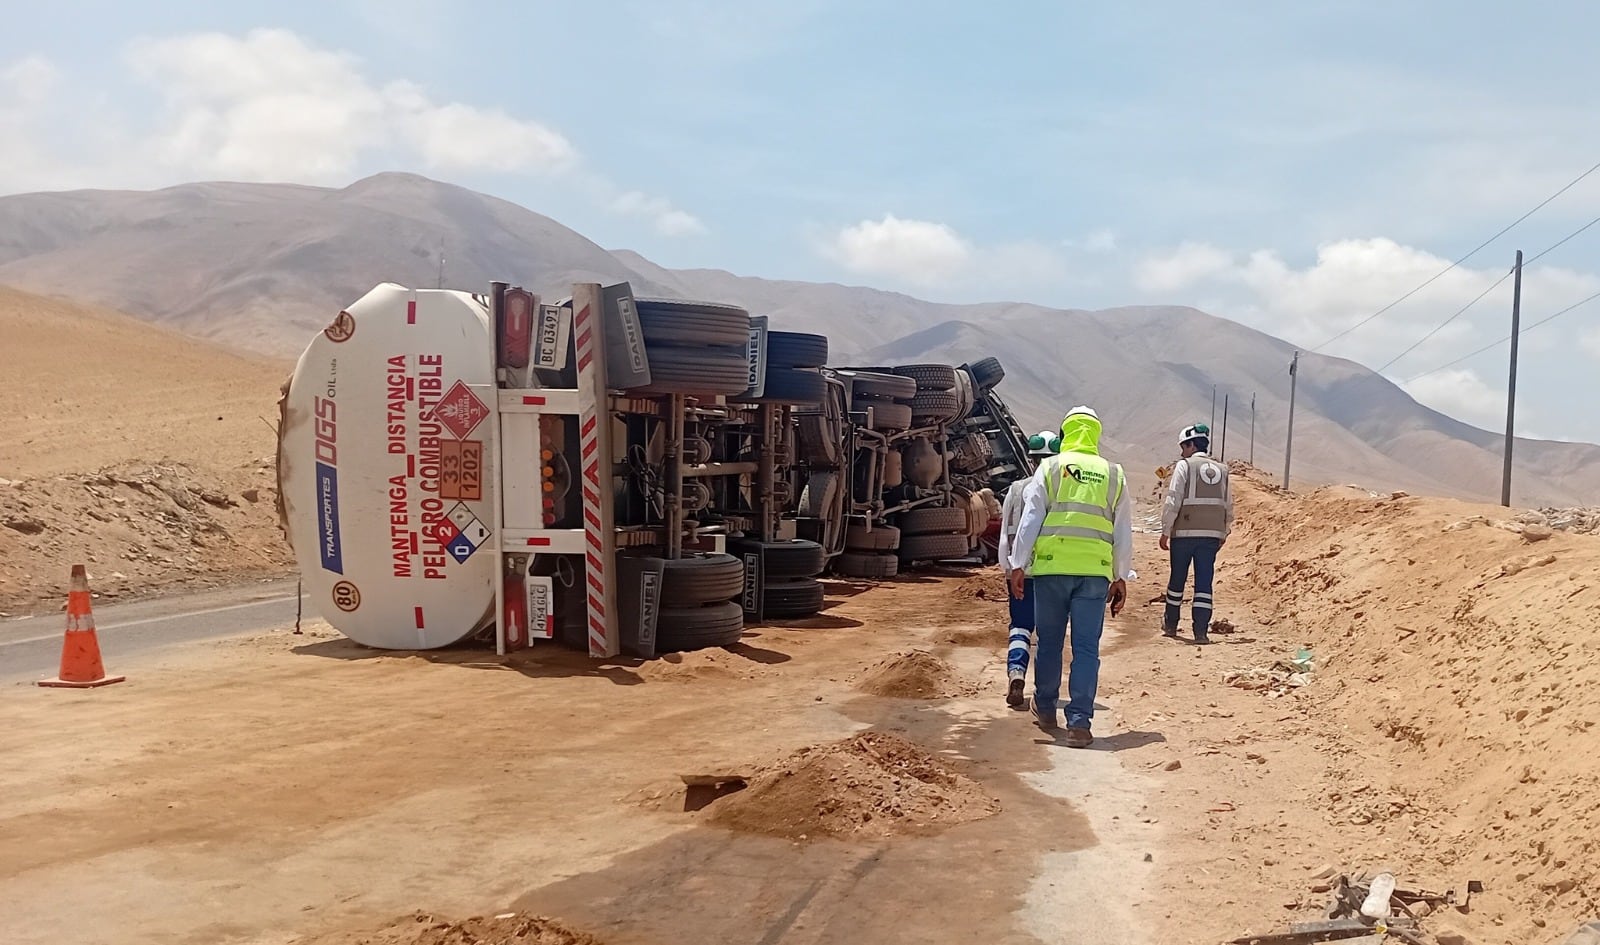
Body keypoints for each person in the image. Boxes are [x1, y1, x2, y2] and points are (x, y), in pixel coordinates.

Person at [1007, 407, 1133, 747]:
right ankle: (1080, 722)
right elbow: (1122, 531)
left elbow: (1031, 518)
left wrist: (1018, 564)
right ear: (1095, 434)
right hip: (1093, 574)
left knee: (1049, 642)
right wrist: (1121, 576)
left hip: (1051, 570)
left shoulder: (1050, 467)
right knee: (1086, 648)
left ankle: (1046, 707)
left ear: (1065, 435)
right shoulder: (1113, 473)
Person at [996, 430, 1064, 708]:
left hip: (1020, 572)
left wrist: (1009, 568)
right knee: (1049, 633)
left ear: (1031, 458)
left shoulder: (1015, 489)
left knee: (1020, 627)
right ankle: (1044, 692)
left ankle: (1016, 671)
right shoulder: (1061, 492)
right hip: (1052, 573)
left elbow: (1005, 533)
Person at [1160, 423, 1234, 644]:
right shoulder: (1223, 470)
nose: (1182, 452)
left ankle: (1171, 624)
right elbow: (1229, 505)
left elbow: (1173, 500)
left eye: (1183, 447)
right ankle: (1200, 631)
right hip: (1211, 535)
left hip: (1183, 533)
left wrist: (1165, 530)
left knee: (1177, 579)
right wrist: (1224, 532)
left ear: (1191, 445)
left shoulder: (1184, 466)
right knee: (1204, 582)